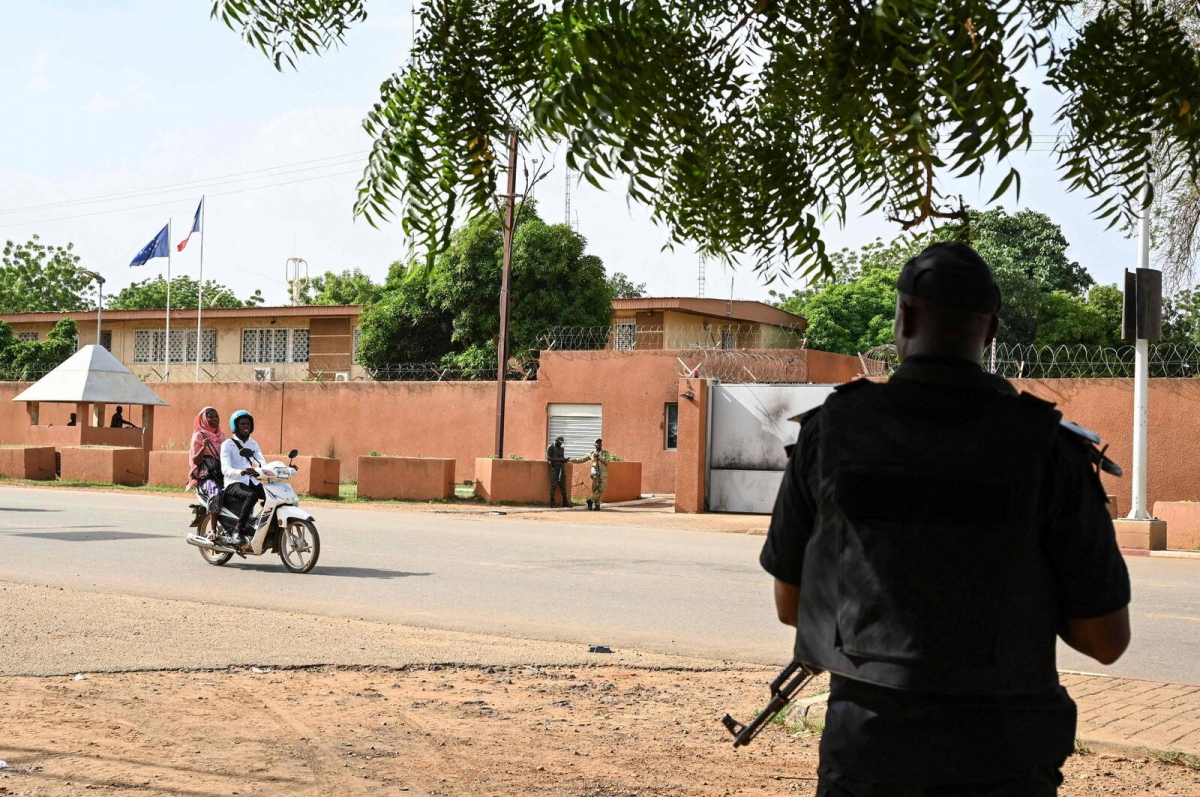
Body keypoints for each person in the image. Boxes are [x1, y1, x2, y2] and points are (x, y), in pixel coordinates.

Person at [759, 241, 1131, 797]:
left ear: (903, 318)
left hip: (868, 754)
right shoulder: (1048, 449)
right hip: (1003, 760)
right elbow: (1105, 640)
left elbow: (792, 606)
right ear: (991, 333)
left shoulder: (832, 430)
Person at [220, 409, 265, 539]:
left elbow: (262, 461)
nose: (246, 426)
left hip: (250, 480)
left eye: (248, 424)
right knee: (251, 496)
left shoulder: (253, 443)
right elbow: (225, 469)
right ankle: (238, 530)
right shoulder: (227, 444)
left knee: (271, 494)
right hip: (233, 482)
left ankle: (261, 525)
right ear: (235, 426)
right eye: (243, 423)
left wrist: (277, 469)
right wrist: (243, 471)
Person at [187, 406, 225, 510]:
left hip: (220, 472)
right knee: (215, 494)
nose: (215, 419)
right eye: (211, 417)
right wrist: (204, 447)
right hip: (206, 474)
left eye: (216, 416)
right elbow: (196, 460)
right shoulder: (199, 436)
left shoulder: (221, 435)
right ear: (204, 420)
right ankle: (213, 526)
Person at [571, 438, 611, 510]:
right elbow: (582, 459)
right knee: (595, 489)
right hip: (595, 472)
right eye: (597, 443)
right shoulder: (591, 453)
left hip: (603, 474)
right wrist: (571, 460)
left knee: (602, 489)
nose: (599, 444)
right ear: (594, 445)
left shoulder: (605, 453)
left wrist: (599, 457)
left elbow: (607, 462)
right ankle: (597, 505)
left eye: (600, 443)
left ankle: (590, 501)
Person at [547, 435, 570, 507]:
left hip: (561, 468)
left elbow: (562, 458)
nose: (561, 444)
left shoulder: (561, 449)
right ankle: (552, 501)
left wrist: (565, 460)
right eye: (560, 442)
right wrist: (560, 460)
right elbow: (549, 458)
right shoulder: (550, 447)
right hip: (554, 468)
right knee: (554, 484)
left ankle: (565, 501)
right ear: (556, 441)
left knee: (563, 484)